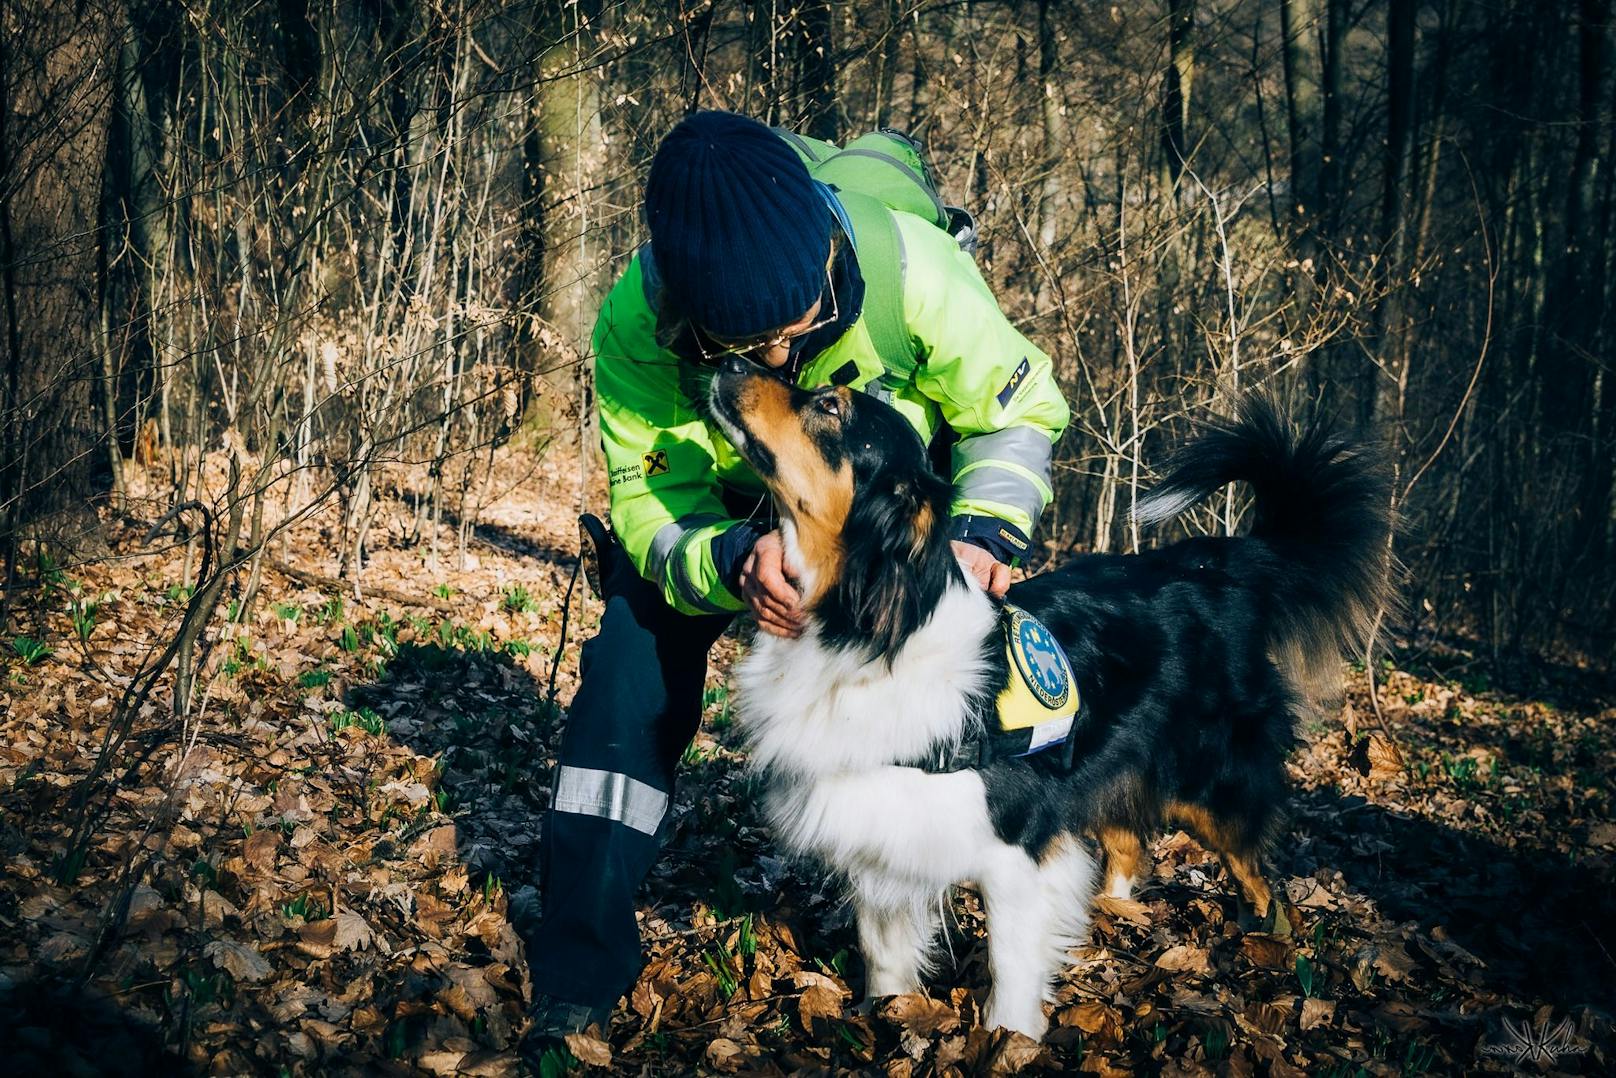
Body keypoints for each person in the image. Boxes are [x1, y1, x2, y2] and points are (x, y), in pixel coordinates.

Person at [519, 110, 1069, 1056]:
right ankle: (578, 971)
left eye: (800, 324)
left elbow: (1016, 406)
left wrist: (982, 529)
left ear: (823, 254)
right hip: (733, 519)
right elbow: (652, 508)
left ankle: (986, 865)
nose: (786, 350)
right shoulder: (637, 325)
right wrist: (733, 561)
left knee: (962, 710)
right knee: (625, 671)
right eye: (752, 344)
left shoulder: (913, 269)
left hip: (882, 515)